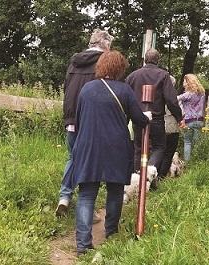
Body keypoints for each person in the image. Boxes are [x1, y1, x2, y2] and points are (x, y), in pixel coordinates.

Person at [71, 50, 152, 256]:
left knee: (87, 194)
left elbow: (79, 120)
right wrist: (148, 116)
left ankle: (82, 244)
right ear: (119, 69)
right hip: (116, 147)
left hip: (88, 146)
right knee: (115, 191)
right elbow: (139, 120)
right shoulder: (124, 91)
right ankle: (111, 234)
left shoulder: (87, 89)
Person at [55, 29, 114, 219]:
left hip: (71, 119)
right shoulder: (103, 63)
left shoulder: (74, 61)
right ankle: (86, 209)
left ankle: (65, 197)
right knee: (91, 163)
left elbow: (66, 89)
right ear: (105, 45)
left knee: (73, 157)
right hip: (92, 120)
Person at [125, 48, 183, 181]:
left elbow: (126, 98)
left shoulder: (132, 76)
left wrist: (125, 119)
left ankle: (137, 179)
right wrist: (178, 117)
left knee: (138, 149)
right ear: (158, 60)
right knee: (159, 147)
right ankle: (148, 175)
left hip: (138, 118)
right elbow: (171, 100)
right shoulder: (163, 75)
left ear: (145, 59)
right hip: (156, 119)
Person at [158, 75, 184, 179]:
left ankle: (155, 174)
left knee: (159, 151)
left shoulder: (157, 97)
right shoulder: (175, 98)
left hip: (159, 126)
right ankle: (161, 176)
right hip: (172, 128)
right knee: (169, 153)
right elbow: (182, 112)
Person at [177, 74, 205, 161]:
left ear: (189, 83)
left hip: (189, 121)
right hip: (200, 120)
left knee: (187, 142)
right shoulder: (202, 93)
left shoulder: (187, 94)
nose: (183, 84)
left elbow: (175, 99)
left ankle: (187, 163)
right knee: (197, 142)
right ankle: (196, 162)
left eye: (185, 82)